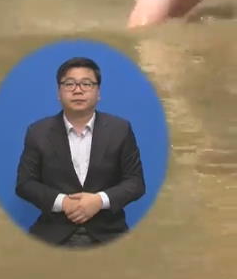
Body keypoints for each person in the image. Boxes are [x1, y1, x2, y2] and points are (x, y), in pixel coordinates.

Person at [14, 57, 146, 248]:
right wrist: (64, 203)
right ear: (59, 92)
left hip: (109, 234)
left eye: (86, 84)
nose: (78, 90)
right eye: (69, 84)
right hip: (53, 234)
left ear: (98, 92)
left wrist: (99, 201)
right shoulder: (38, 132)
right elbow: (25, 184)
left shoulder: (120, 129)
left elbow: (135, 183)